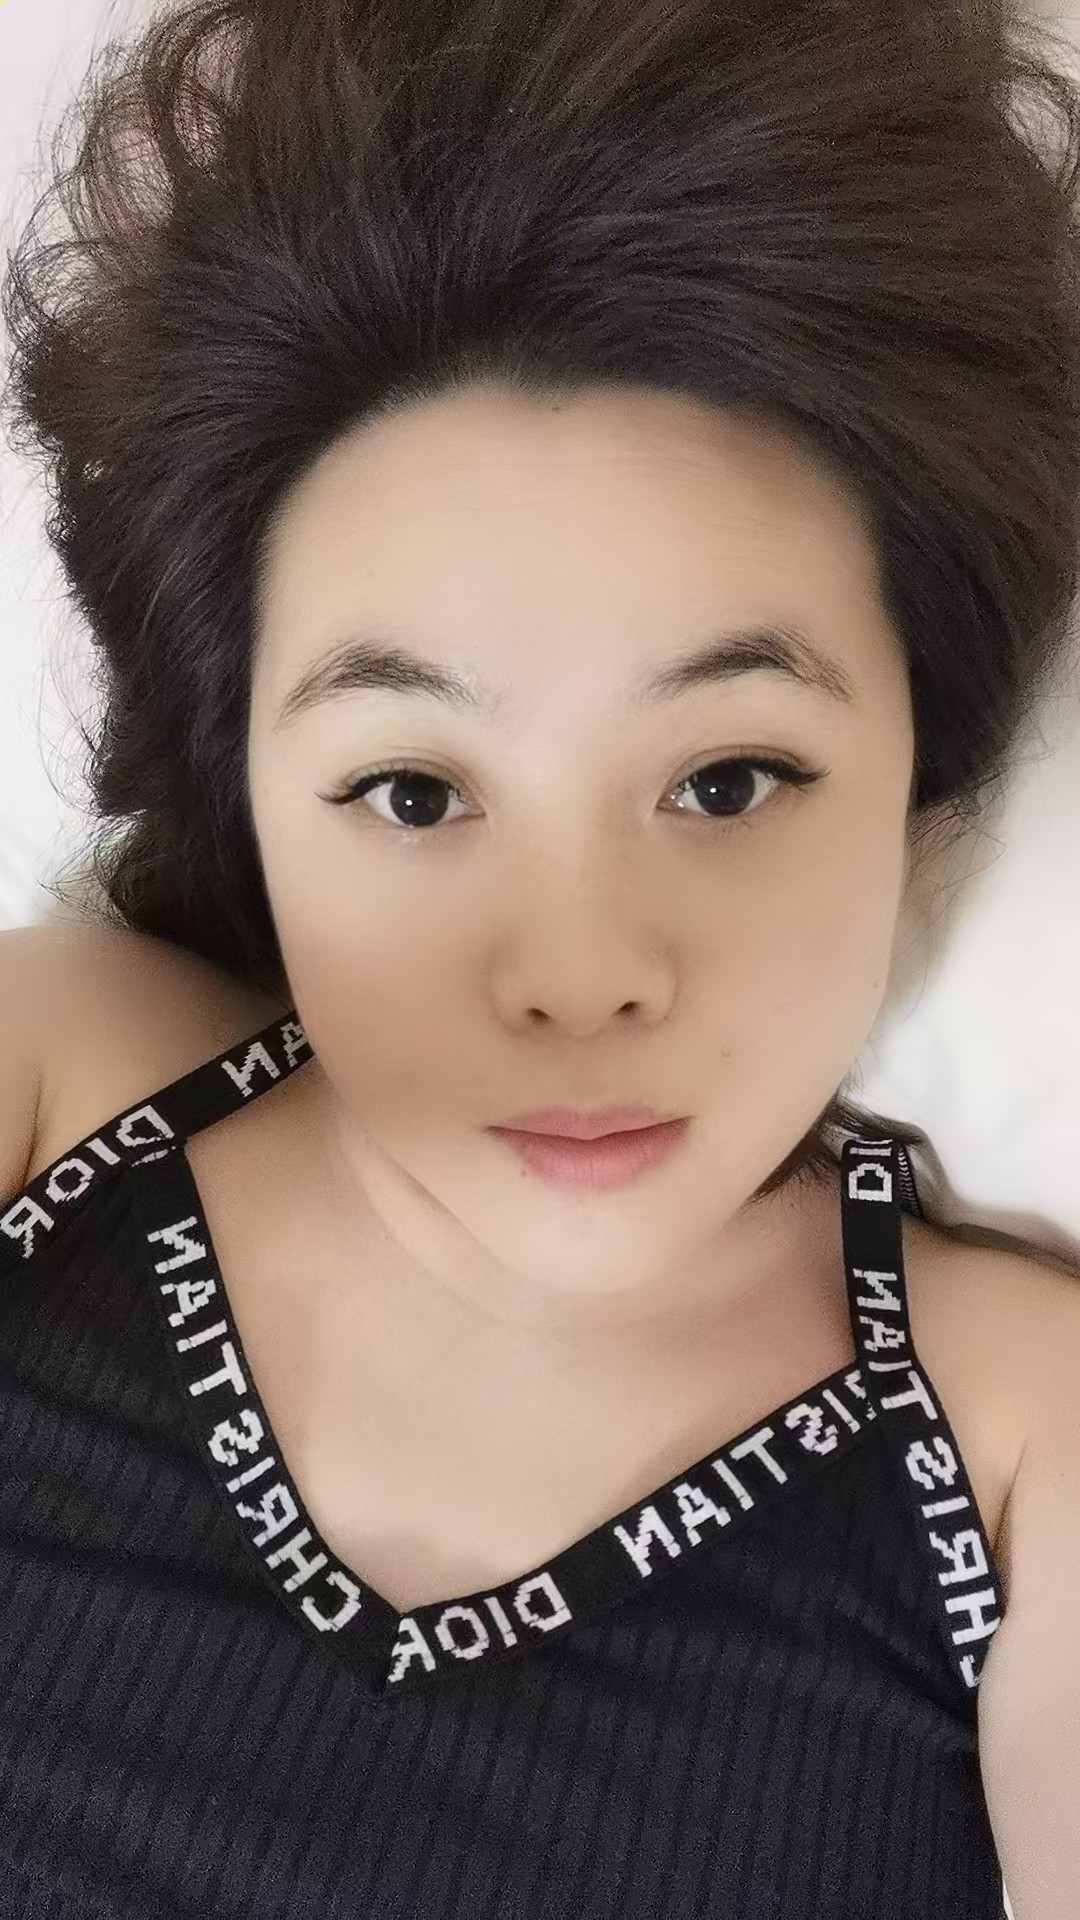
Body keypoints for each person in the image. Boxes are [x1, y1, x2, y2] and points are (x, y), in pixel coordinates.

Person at [0, 0, 1078, 1914]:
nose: (579, 979)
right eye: (412, 791)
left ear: (922, 775)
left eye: (730, 778)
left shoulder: (1021, 1451)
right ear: (246, 790)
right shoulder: (56, 1088)